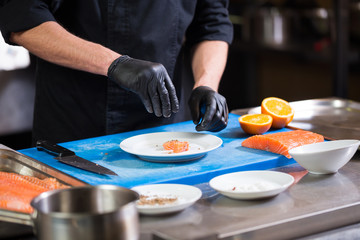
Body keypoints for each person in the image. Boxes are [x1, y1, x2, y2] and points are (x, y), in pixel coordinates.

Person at [0, 1, 233, 144]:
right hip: (75, 130)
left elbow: (211, 22)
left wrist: (206, 84)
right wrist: (114, 64)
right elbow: (23, 19)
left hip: (163, 129)